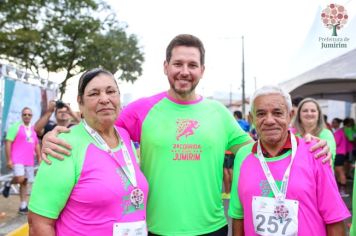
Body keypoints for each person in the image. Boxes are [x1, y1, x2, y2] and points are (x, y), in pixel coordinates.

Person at [40, 34, 331, 235]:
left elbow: (265, 146)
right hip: (154, 229)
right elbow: (101, 131)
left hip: (212, 228)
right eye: (177, 64)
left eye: (192, 65)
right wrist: (56, 135)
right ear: (166, 67)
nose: (184, 71)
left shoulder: (218, 113)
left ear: (202, 70)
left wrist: (307, 144)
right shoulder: (142, 110)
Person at [28, 68, 149, 235]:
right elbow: (38, 223)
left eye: (110, 91)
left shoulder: (125, 136)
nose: (104, 99)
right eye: (94, 93)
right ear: (80, 102)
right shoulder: (64, 144)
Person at [228, 85, 350, 236]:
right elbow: (238, 216)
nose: (269, 120)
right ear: (252, 119)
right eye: (261, 114)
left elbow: (334, 218)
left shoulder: (315, 152)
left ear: (290, 115)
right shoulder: (243, 155)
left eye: (277, 113)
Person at [2, 107, 41, 214]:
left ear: (32, 116)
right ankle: (9, 183)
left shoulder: (33, 129)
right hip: (17, 158)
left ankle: (23, 206)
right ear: (22, 115)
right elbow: (8, 142)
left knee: (25, 182)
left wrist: (39, 157)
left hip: (29, 160)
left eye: (29, 114)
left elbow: (36, 144)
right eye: (25, 114)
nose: (27, 116)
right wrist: (9, 159)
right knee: (20, 178)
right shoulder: (15, 127)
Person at [292, 98, 336, 164]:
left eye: (313, 111)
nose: (309, 113)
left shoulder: (326, 133)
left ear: (319, 115)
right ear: (299, 115)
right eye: (305, 111)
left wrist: (326, 149)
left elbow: (330, 151)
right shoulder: (291, 134)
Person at [333, 118, 349, 197]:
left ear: (338, 123)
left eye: (334, 122)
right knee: (338, 172)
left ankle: (343, 190)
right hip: (340, 153)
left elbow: (335, 143)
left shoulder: (338, 132)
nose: (332, 123)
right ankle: (340, 190)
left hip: (339, 153)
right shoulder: (340, 131)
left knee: (340, 172)